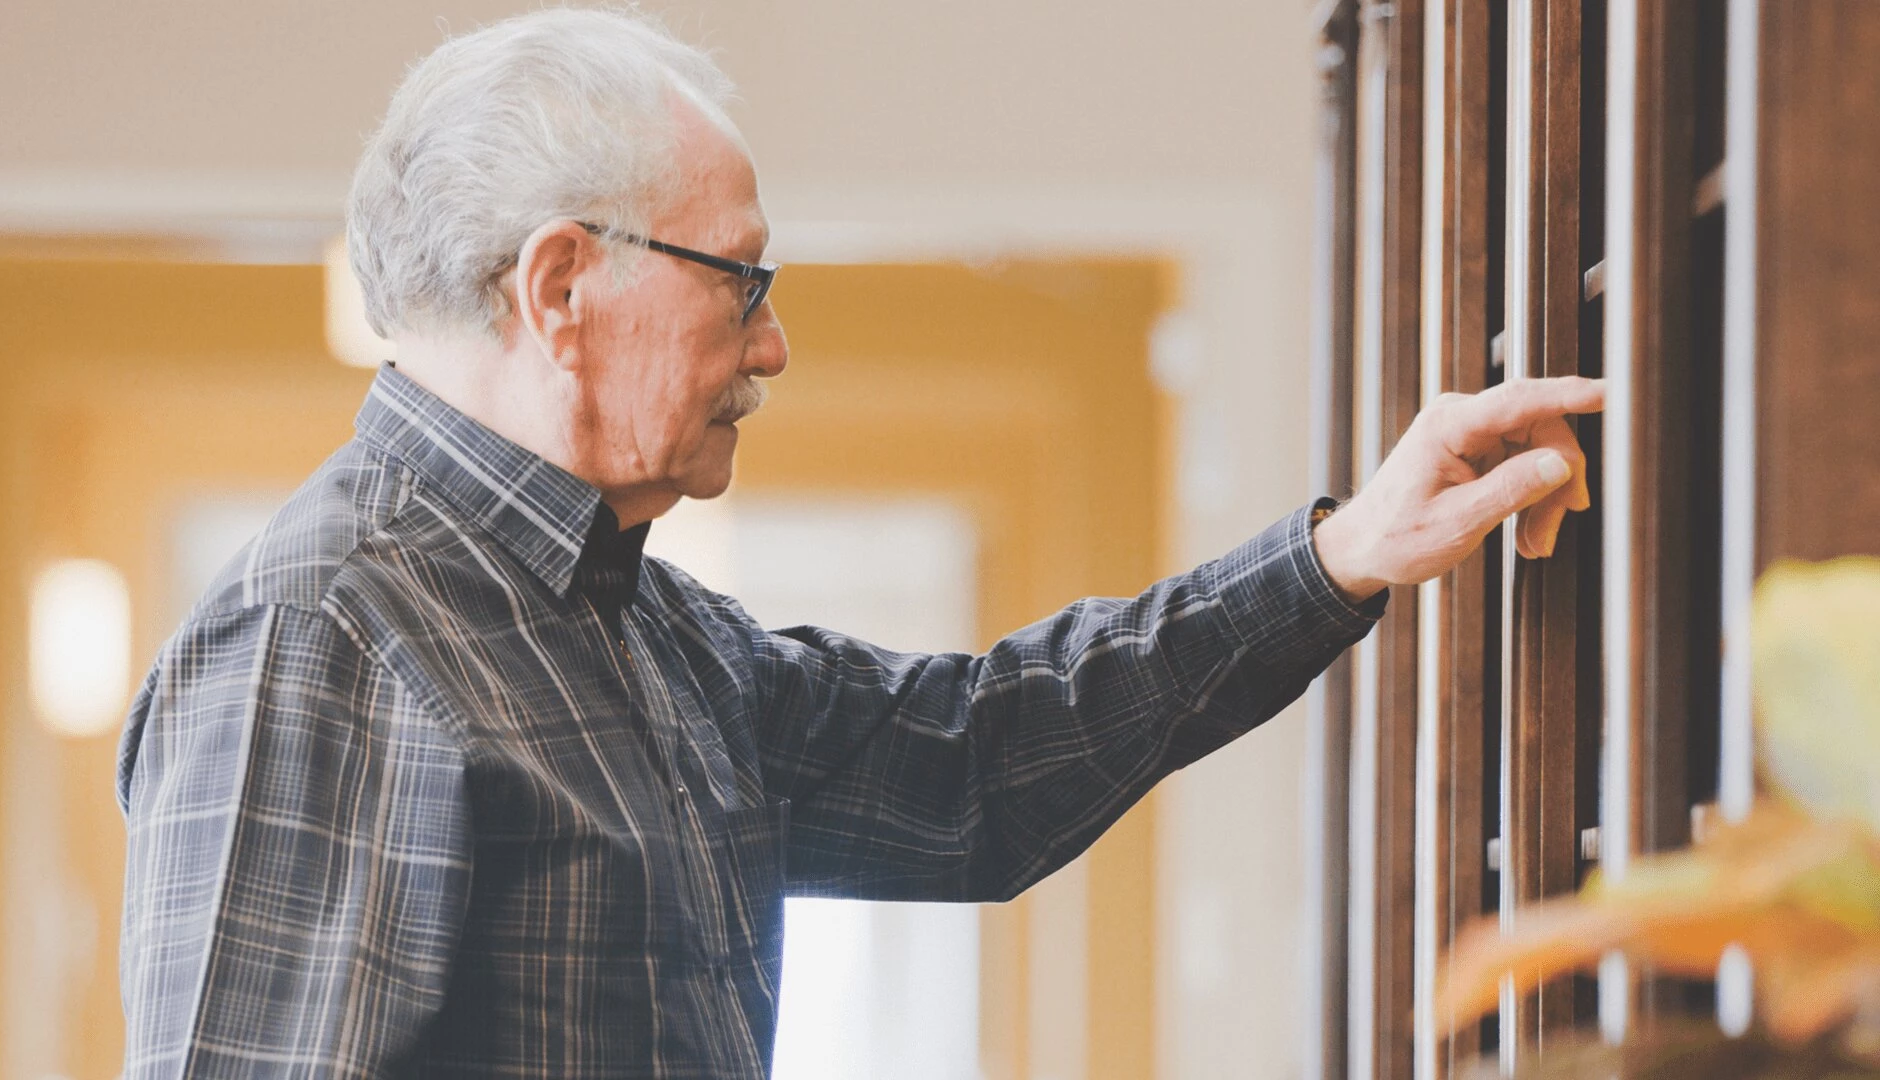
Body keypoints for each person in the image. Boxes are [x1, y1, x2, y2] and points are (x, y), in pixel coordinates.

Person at [114, 8, 1602, 1077]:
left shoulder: (647, 630)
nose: (773, 347)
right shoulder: (324, 636)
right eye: (740, 284)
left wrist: (1341, 557)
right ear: (562, 286)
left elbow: (971, 765)